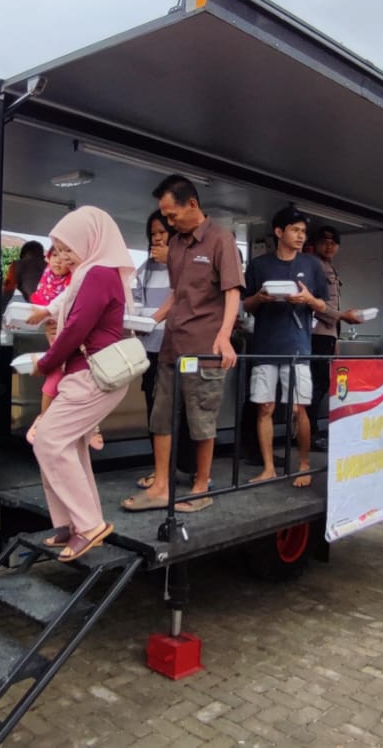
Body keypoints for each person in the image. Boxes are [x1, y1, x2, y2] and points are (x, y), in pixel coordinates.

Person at [122, 175, 244, 513]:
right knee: (160, 417)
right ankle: (161, 486)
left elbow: (232, 291)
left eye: (172, 215)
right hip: (171, 348)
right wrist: (152, 320)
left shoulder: (221, 240)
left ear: (192, 204)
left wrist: (224, 336)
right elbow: (177, 294)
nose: (169, 222)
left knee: (201, 421)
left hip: (205, 349)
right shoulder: (176, 245)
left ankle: (200, 487)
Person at [30, 206, 133, 560]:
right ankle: (71, 523)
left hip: (90, 374)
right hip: (85, 374)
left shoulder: (98, 275)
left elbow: (76, 328)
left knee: (48, 440)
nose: (62, 255)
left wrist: (45, 363)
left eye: (68, 247)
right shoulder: (91, 273)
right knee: (67, 445)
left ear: (89, 242)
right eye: (58, 248)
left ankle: (88, 525)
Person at [241, 205, 329, 483]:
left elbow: (323, 305)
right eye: (295, 230)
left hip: (298, 348)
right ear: (279, 232)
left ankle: (303, 466)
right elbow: (246, 304)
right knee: (264, 407)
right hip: (265, 346)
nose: (301, 236)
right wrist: (260, 298)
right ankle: (268, 468)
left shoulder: (313, 265)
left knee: (299, 408)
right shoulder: (258, 265)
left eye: (303, 231)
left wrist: (308, 300)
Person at [135, 210, 175, 489]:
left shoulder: (183, 267)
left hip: (175, 348)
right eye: (153, 234)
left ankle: (183, 469)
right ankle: (159, 470)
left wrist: (171, 261)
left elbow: (187, 296)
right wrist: (136, 321)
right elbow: (134, 302)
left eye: (162, 232)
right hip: (149, 348)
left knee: (177, 410)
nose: (157, 238)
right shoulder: (143, 270)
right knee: (153, 410)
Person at [310, 226, 364, 417]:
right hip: (317, 334)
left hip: (328, 334)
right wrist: (342, 317)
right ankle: (307, 429)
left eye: (333, 244)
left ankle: (309, 428)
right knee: (318, 382)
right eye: (324, 243)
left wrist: (336, 339)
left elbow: (332, 304)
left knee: (322, 382)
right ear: (315, 244)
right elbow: (316, 304)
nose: (329, 247)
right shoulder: (314, 265)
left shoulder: (329, 266)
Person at [2, 241, 46, 306]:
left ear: (24, 255)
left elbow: (6, 293)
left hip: (38, 309)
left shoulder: (17, 266)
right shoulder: (51, 267)